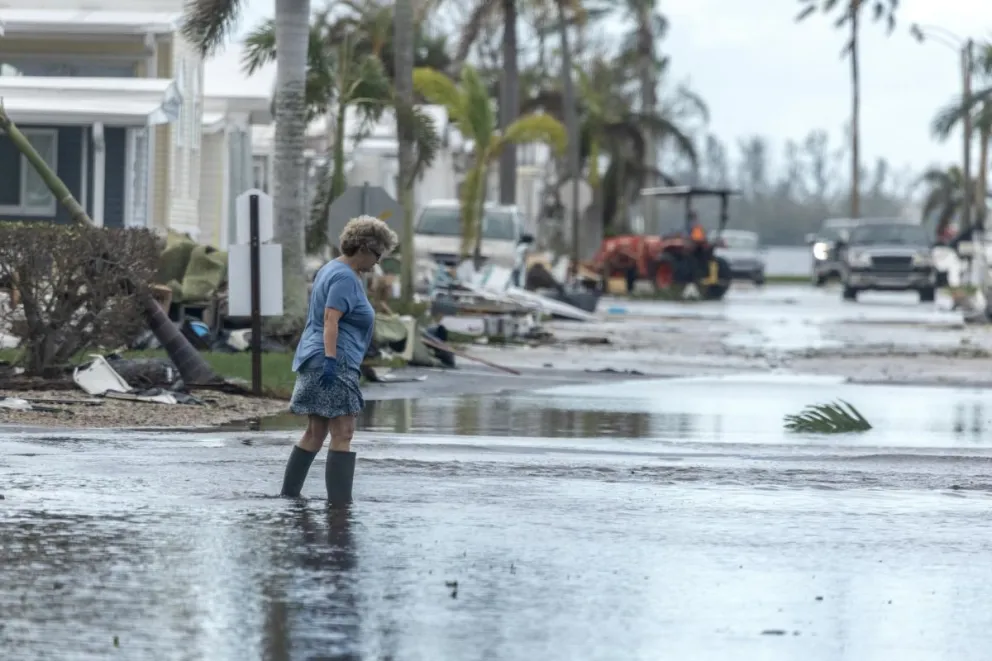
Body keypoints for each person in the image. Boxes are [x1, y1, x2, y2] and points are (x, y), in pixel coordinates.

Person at [280, 215, 398, 504]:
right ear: (363, 248)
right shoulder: (345, 277)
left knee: (315, 431)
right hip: (333, 359)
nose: (376, 263)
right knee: (343, 431)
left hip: (315, 355)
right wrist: (332, 360)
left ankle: (289, 496)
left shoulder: (331, 268)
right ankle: (340, 506)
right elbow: (331, 319)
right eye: (377, 255)